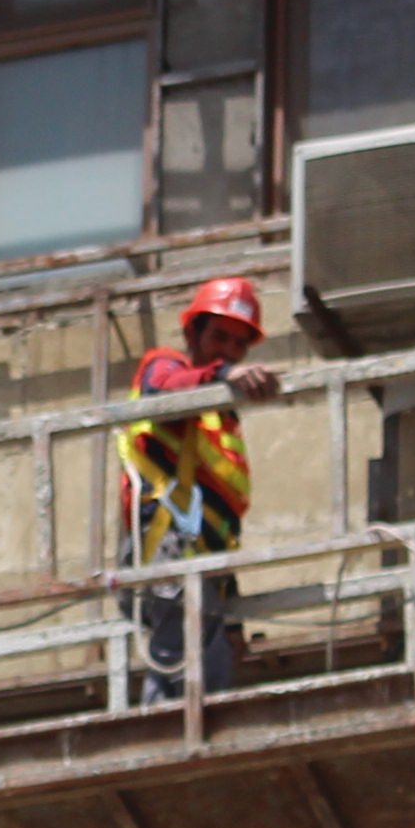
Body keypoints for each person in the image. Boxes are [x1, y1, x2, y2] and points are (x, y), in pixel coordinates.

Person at [114, 275, 282, 692]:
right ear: (193, 332)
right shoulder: (166, 366)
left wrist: (234, 619)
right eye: (220, 337)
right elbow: (164, 390)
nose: (229, 350)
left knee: (211, 685)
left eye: (239, 344)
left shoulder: (220, 423)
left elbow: (220, 525)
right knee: (179, 688)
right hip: (169, 555)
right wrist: (225, 374)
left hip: (207, 572)